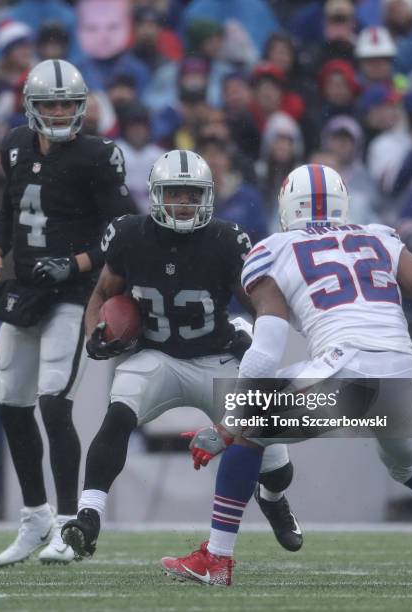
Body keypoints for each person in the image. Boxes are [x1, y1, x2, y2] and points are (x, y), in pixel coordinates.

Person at [161, 163, 412, 586]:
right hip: (402, 369)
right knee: (411, 465)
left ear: (287, 205)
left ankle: (216, 559)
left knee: (250, 430)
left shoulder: (273, 248)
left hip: (349, 371)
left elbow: (267, 344)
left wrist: (230, 421)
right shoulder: (377, 235)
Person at [60, 149, 302, 559]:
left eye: (192, 195)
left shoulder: (227, 239)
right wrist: (94, 334)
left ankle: (272, 497)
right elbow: (103, 293)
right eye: (175, 193)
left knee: (278, 466)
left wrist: (257, 343)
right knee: (118, 414)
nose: (184, 203)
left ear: (207, 196)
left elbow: (263, 306)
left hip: (217, 356)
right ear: (156, 195)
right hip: (158, 356)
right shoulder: (129, 234)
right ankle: (89, 515)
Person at [0, 59, 136, 567]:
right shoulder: (16, 144)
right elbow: (10, 204)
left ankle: (69, 524)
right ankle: (35, 516)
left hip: (75, 295)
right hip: (25, 291)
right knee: (9, 399)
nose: (62, 111)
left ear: (83, 105)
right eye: (52, 104)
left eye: (69, 103)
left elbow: (122, 231)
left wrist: (77, 262)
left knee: (53, 403)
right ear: (32, 107)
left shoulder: (97, 157)